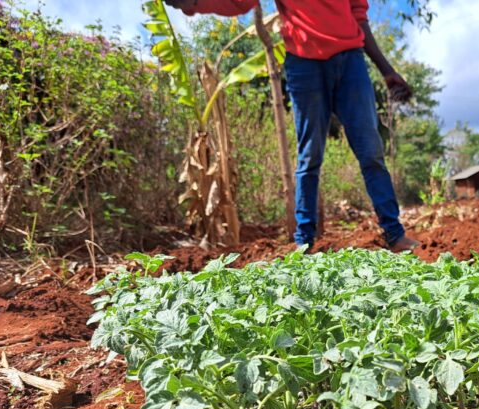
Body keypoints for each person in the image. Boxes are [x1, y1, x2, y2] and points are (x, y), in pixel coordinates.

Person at [165, 0, 420, 252]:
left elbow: (358, 14)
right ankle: (304, 243)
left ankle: (394, 234)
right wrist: (197, 3)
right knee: (310, 156)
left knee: (371, 151)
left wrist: (386, 70)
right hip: (304, 64)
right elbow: (241, 2)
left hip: (350, 62)